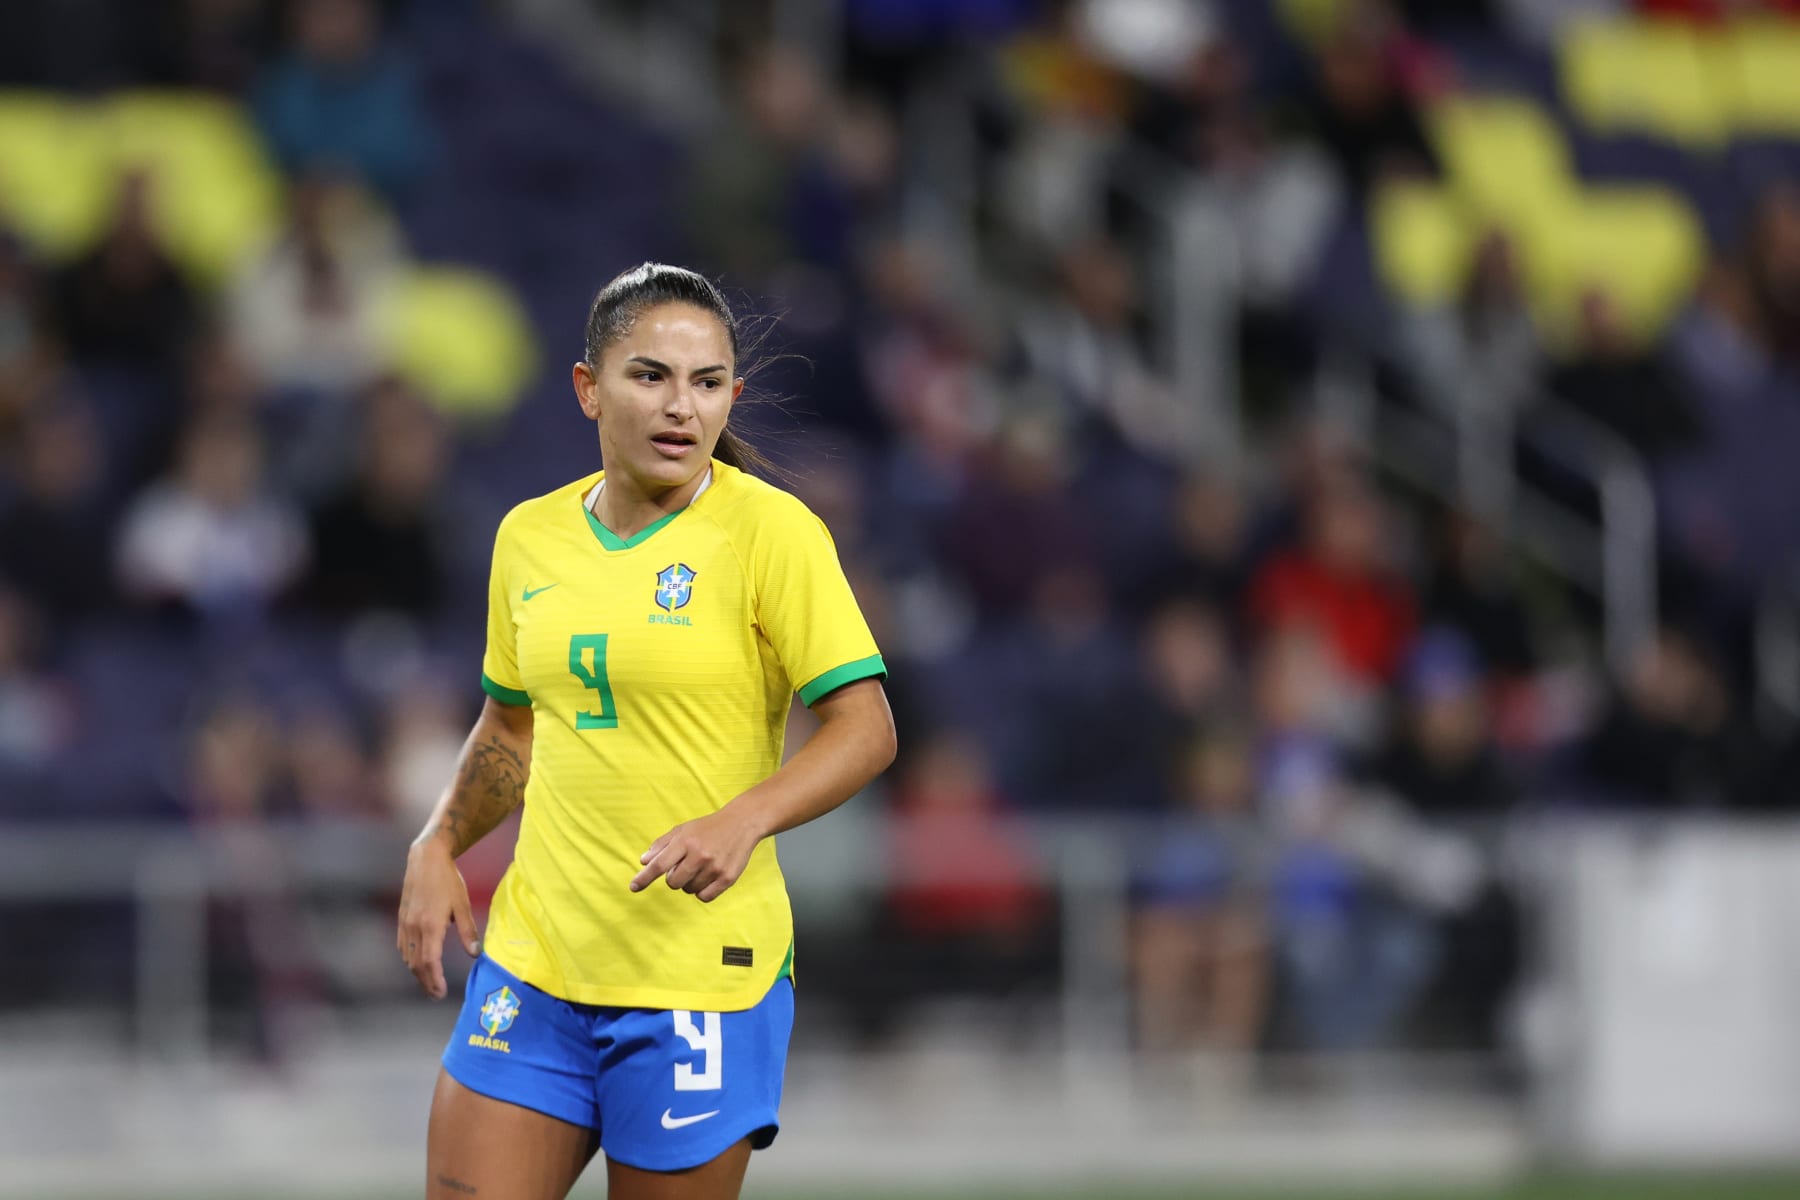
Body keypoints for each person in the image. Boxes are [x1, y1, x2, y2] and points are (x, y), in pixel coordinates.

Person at [396, 263, 897, 1200]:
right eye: (650, 376)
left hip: (695, 979)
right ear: (589, 388)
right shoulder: (528, 538)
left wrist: (744, 819)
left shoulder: (773, 536)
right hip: (536, 965)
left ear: (732, 397)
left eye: (707, 383)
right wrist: (440, 841)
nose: (682, 407)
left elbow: (865, 728)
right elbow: (511, 724)